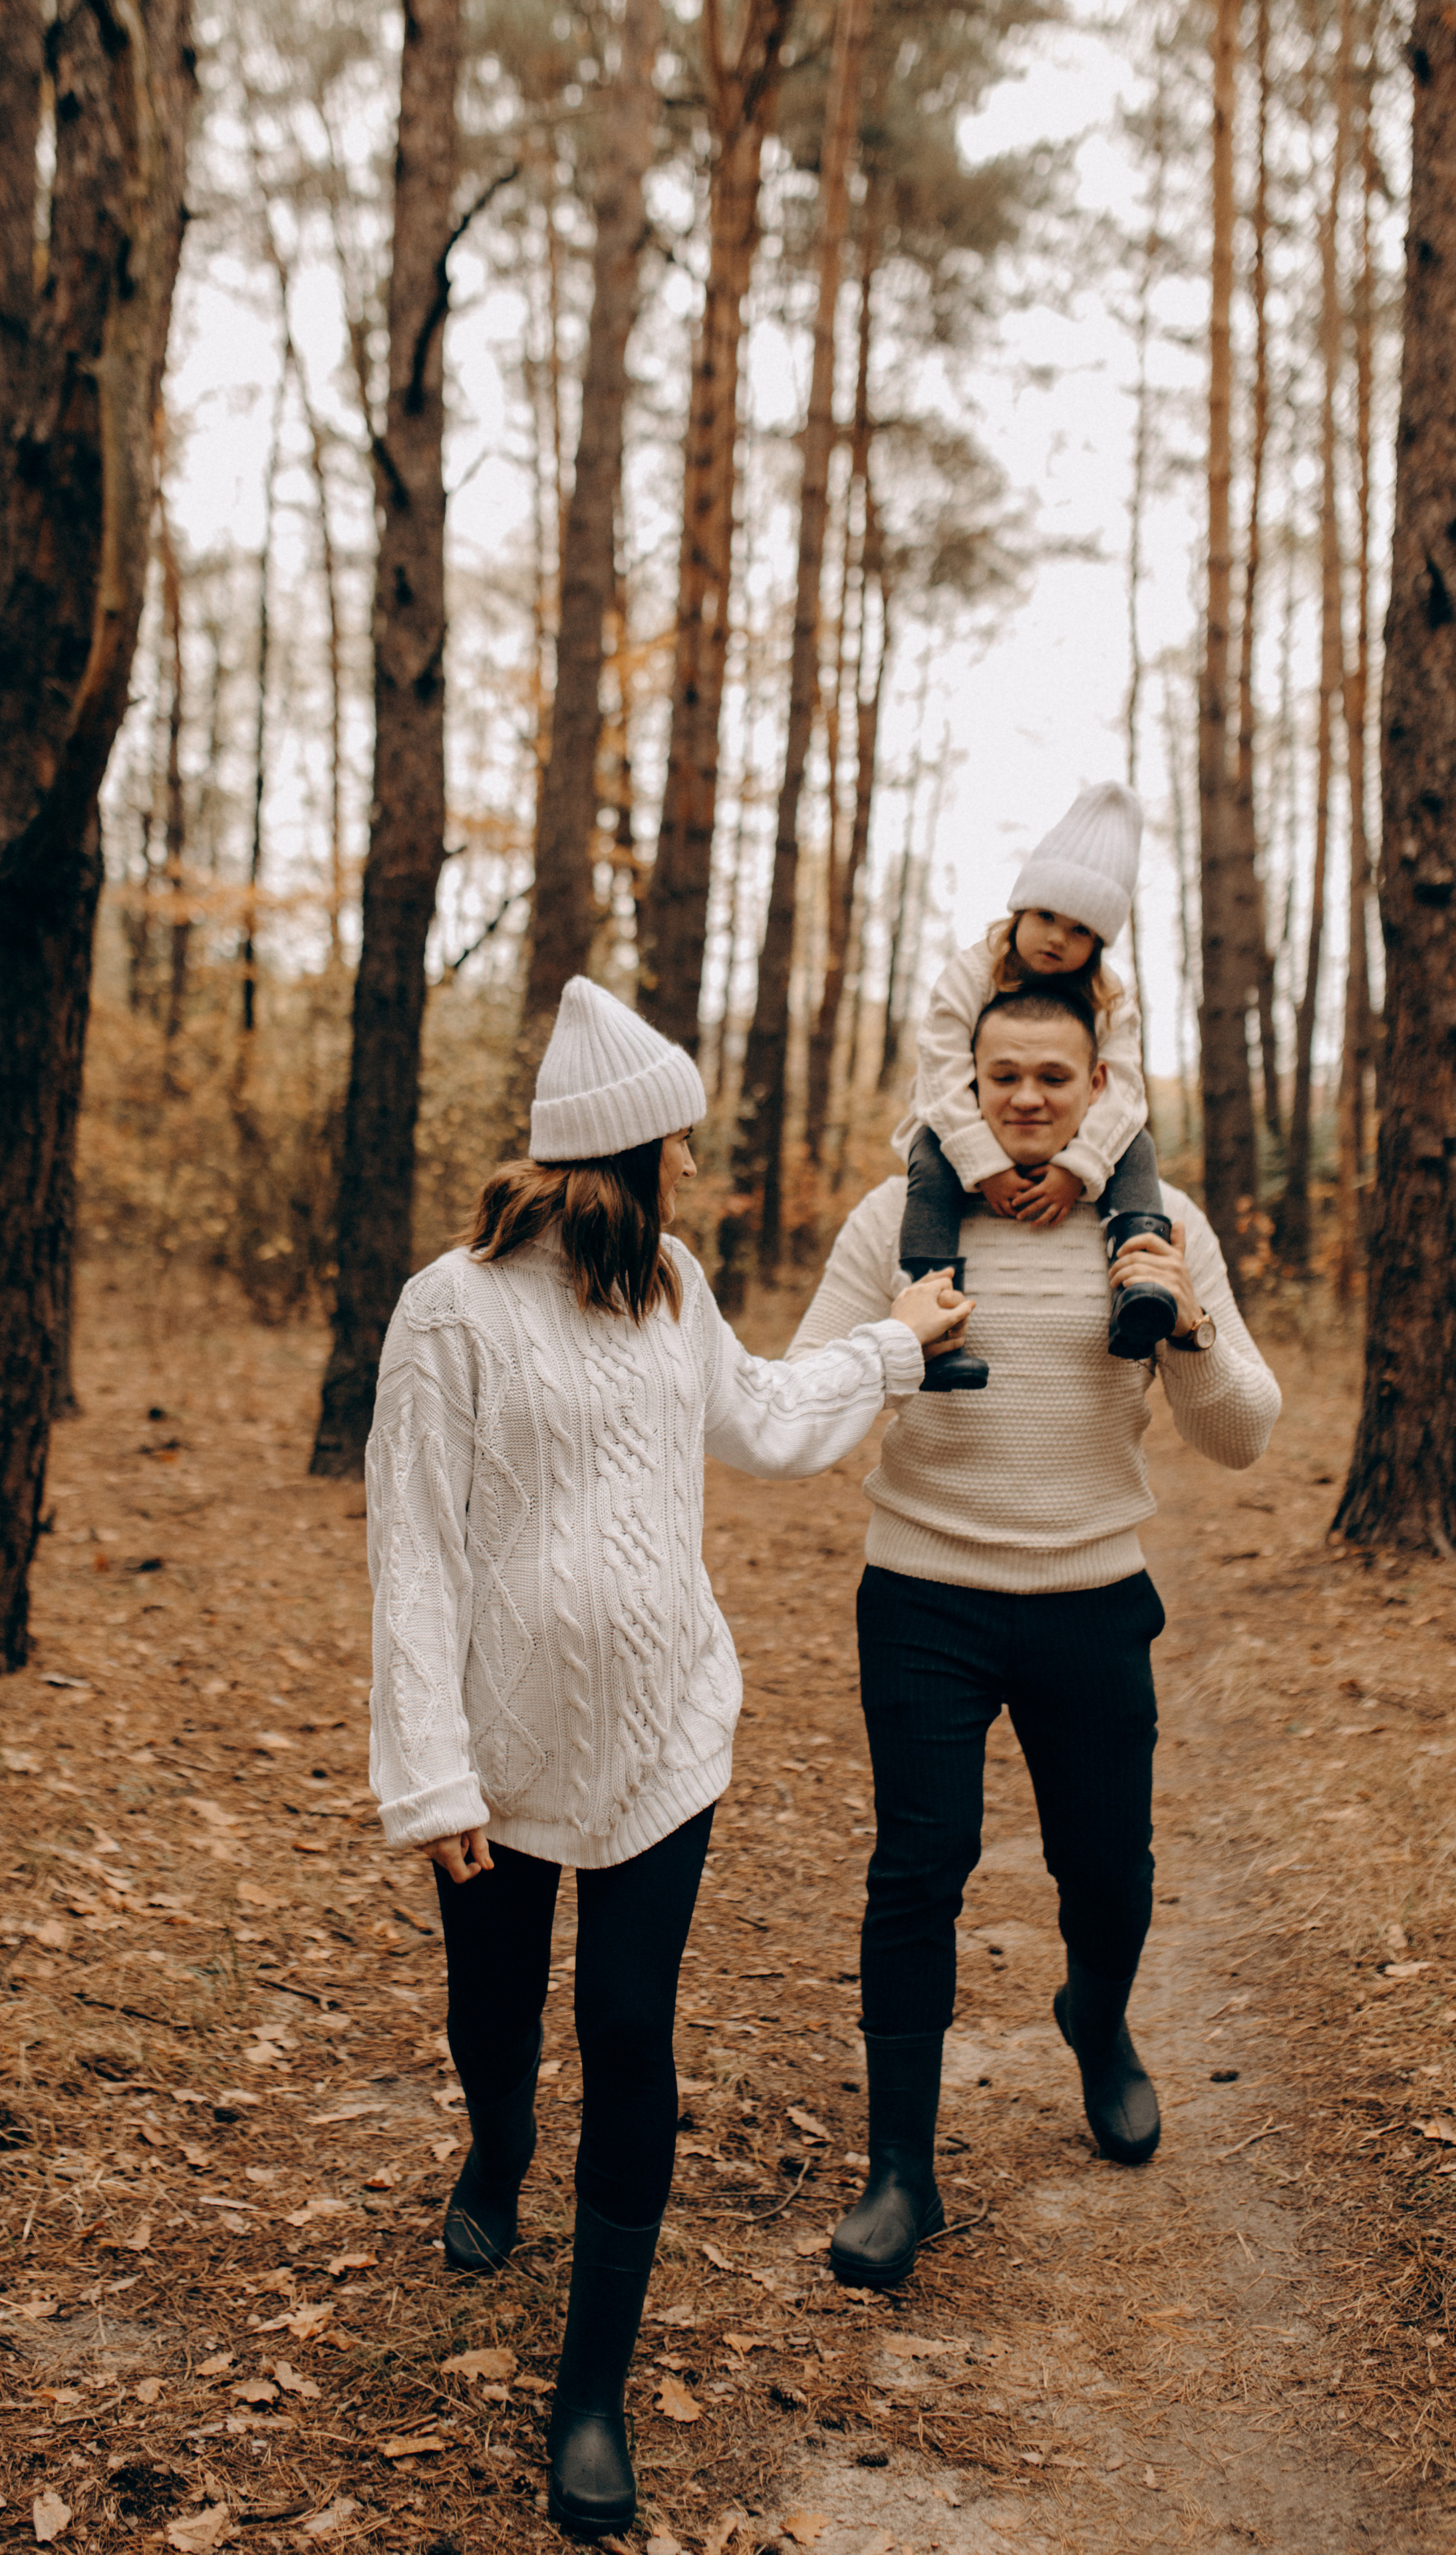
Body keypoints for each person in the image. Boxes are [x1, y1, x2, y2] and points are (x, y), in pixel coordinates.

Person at [364, 975, 968, 2538]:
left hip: (660, 1749)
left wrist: (890, 1351)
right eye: (676, 1148)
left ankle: (588, 2394)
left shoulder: (669, 1285)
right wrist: (428, 1775)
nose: (689, 1172)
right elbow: (414, 1553)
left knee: (627, 2030)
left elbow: (761, 1419)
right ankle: (496, 2147)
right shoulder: (450, 1307)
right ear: (620, 1153)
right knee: (491, 2013)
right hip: (498, 1761)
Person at [789, 983, 1282, 2290]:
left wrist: (1180, 1324)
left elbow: (1241, 1433)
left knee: (1106, 1866)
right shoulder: (891, 1221)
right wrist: (888, 1349)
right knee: (917, 1868)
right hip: (922, 1597)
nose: (1024, 1098)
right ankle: (900, 2171)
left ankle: (1098, 2022)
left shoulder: (1159, 1222)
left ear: (1094, 1082)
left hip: (1088, 1597)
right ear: (967, 1080)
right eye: (1000, 1074)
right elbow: (805, 1413)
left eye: (1050, 1078)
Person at [895, 781, 1178, 1389]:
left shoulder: (1108, 999)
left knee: (1139, 1149)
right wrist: (985, 1166)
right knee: (929, 1163)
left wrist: (1077, 1168)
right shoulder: (972, 974)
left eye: (1079, 930)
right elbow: (943, 1075)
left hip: (1073, 1138)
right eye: (1046, 916)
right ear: (1020, 909)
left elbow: (1123, 1092)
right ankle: (934, 1323)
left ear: (1098, 943)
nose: (1056, 937)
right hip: (965, 1128)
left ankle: (1142, 1285)